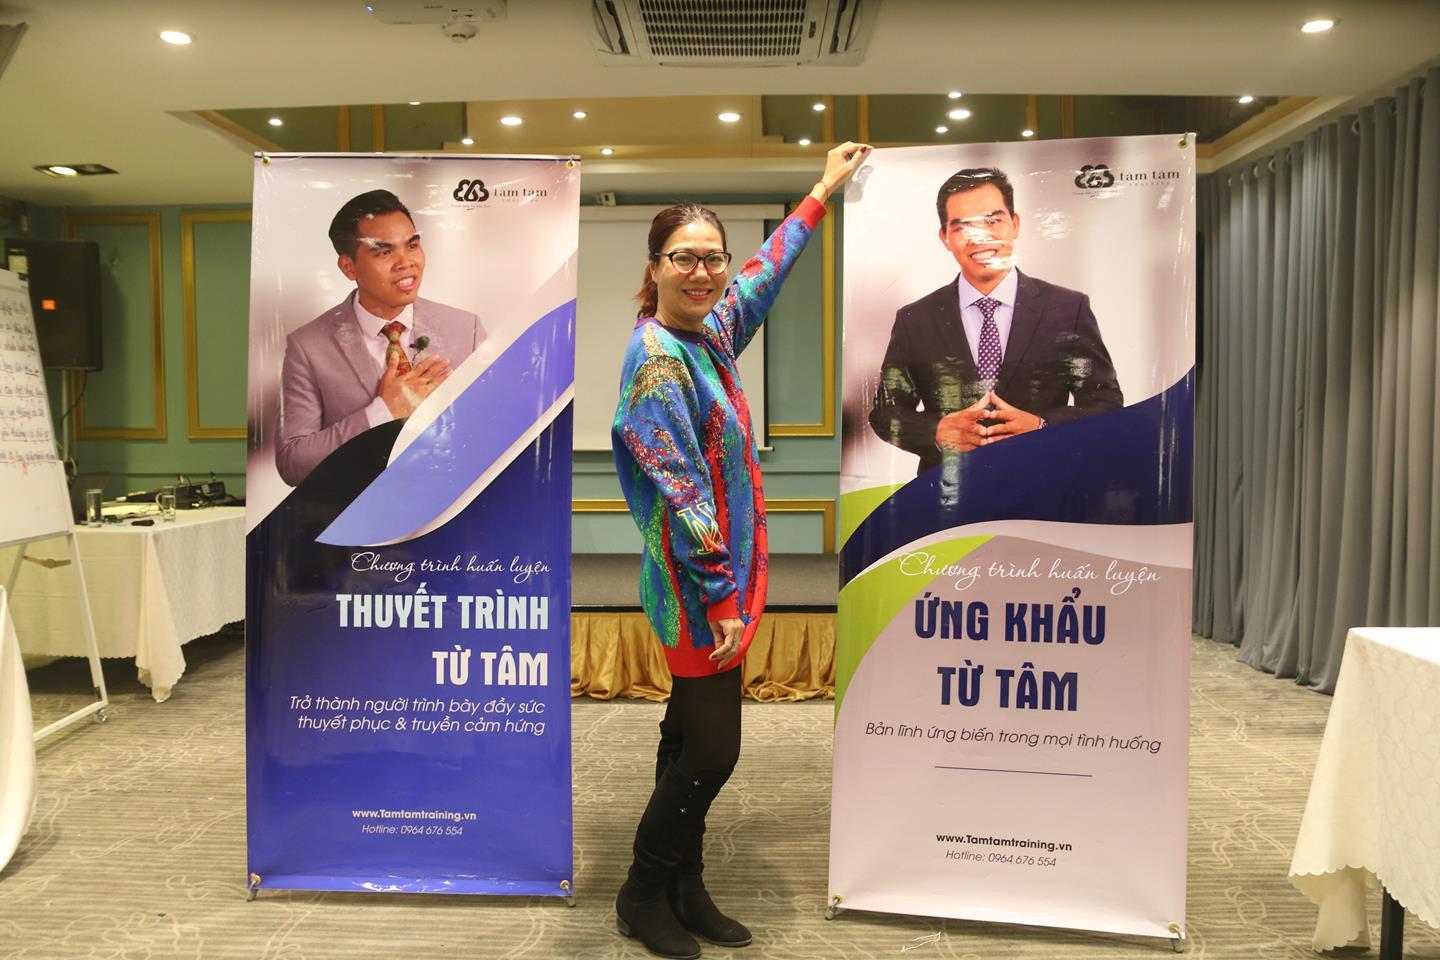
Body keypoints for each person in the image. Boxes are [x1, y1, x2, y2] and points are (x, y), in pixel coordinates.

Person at [611, 142, 869, 959]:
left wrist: (821, 191)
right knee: (715, 751)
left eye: (712, 258)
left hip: (718, 581)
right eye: (683, 258)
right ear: (654, 267)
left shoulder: (708, 335)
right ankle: (641, 891)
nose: (703, 272)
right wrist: (721, 597)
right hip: (698, 591)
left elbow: (764, 275)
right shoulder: (659, 361)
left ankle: (683, 887)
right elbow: (684, 493)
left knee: (687, 734)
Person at [868, 167, 1123, 475]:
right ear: (945, 237)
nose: (980, 237)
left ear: (1015, 224)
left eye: (992, 220)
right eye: (963, 226)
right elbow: (885, 413)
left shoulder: (1068, 309)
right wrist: (937, 431)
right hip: (947, 492)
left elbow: (1105, 404)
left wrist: (1043, 427)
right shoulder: (915, 319)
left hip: (1044, 488)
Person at [275, 189, 485, 486]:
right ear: (349, 267)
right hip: (358, 512)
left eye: (412, 245)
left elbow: (496, 429)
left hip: (453, 506)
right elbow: (293, 463)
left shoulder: (466, 329)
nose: (406, 262)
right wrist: (383, 411)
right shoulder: (308, 346)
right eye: (384, 252)